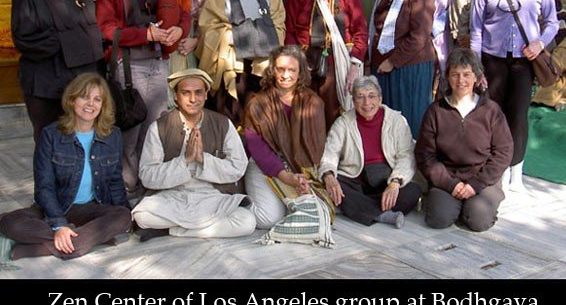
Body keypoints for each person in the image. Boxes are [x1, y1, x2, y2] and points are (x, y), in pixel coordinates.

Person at [95, 0, 191, 196]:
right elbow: (106, 28)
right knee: (130, 127)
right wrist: (144, 33)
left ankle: (150, 182)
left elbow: (182, 13)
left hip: (157, 61)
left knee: (154, 127)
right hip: (128, 65)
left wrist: (179, 30)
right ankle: (126, 186)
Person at [0, 73, 132, 260]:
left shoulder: (112, 135)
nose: (90, 104)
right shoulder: (51, 135)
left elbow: (116, 181)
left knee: (122, 216)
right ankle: (86, 238)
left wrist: (125, 218)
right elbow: (44, 188)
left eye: (97, 99)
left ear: (103, 105)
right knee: (9, 223)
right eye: (84, 97)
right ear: (72, 100)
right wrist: (59, 224)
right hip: (57, 207)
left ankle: (43, 248)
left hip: (91, 209)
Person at [470, 0, 559, 192]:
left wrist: (540, 42)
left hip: (524, 59)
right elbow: (476, 28)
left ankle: (516, 170)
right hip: (492, 58)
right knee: (491, 113)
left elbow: (552, 21)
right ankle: (493, 166)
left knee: (518, 114)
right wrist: (476, 67)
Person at [132, 69, 256, 239]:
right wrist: (184, 161)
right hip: (172, 196)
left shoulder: (222, 124)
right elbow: (147, 175)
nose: (192, 99)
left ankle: (171, 231)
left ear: (205, 95)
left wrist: (203, 159)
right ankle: (200, 228)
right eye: (186, 93)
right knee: (142, 216)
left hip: (211, 196)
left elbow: (238, 167)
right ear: (175, 96)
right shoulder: (159, 127)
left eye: (198, 92)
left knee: (247, 221)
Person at [11, 0, 104, 143]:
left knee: (78, 141)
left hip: (78, 81)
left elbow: (93, 31)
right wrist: (70, 40)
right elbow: (24, 40)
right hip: (45, 83)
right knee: (48, 141)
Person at [415, 48, 513, 231]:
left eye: (467, 74)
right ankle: (454, 205)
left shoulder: (491, 111)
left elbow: (503, 152)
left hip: (482, 179)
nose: (461, 81)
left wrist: (475, 185)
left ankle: (471, 207)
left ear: (476, 77)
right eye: (455, 75)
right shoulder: (436, 111)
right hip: (448, 178)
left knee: (478, 221)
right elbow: (425, 154)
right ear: (448, 77)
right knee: (439, 219)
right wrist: (451, 184)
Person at [197, 0, 286, 125]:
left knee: (260, 122)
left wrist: (238, 34)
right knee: (230, 121)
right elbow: (209, 29)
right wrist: (246, 33)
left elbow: (279, 27)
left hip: (262, 69)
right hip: (230, 67)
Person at [242, 45, 328, 228]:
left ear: (301, 72)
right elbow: (259, 150)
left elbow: (317, 147)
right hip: (264, 166)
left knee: (318, 210)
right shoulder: (257, 104)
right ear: (272, 70)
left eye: (292, 70)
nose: (286, 75)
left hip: (301, 168)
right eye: (281, 69)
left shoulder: (314, 102)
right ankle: (238, 206)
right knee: (269, 219)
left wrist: (305, 177)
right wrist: (286, 177)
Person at [319, 76, 421, 229]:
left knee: (413, 191)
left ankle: (354, 207)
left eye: (372, 96)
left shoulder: (396, 120)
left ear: (380, 98)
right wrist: (329, 176)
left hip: (386, 179)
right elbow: (330, 154)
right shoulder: (343, 123)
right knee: (333, 185)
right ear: (353, 101)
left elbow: (406, 156)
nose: (367, 103)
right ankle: (382, 214)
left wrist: (395, 183)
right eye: (360, 97)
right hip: (356, 179)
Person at [285, 0, 368, 127]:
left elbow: (360, 29)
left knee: (334, 111)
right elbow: (289, 29)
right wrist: (295, 61)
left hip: (337, 60)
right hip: (305, 60)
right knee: (306, 112)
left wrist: (355, 65)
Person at [368, 0, 435, 140]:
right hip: (385, 66)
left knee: (407, 120)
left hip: (409, 68)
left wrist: (392, 61)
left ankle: (411, 166)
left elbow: (419, 37)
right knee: (386, 121)